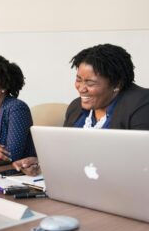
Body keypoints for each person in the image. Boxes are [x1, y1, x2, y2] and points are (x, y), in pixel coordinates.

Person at [13, 43, 149, 176]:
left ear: (116, 84)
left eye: (90, 83)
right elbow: (66, 154)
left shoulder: (142, 104)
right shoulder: (76, 107)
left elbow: (141, 164)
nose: (81, 88)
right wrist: (43, 164)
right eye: (79, 80)